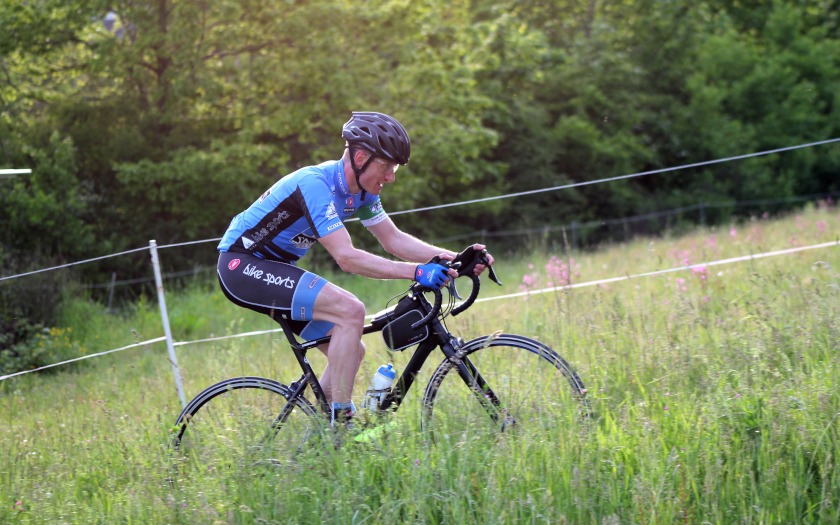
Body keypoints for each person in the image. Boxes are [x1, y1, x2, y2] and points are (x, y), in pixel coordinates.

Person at [217, 111, 493, 426]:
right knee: (351, 311)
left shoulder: (361, 193)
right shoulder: (315, 184)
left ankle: (320, 441)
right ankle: (342, 421)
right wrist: (417, 272)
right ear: (360, 157)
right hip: (243, 264)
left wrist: (454, 258)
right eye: (387, 166)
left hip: (273, 268)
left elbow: (393, 239)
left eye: (395, 168)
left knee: (350, 349)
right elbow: (346, 258)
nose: (391, 177)